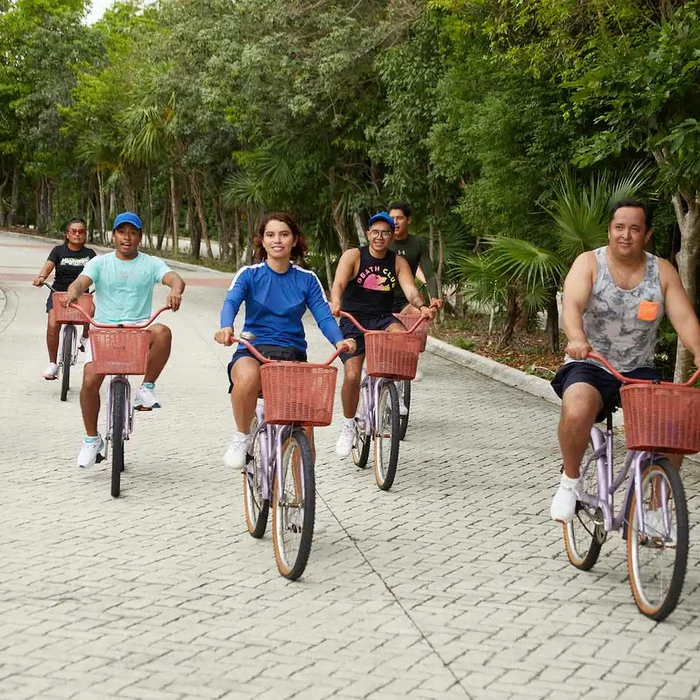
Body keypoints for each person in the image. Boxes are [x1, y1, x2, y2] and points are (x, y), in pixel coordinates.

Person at [550, 199, 700, 523]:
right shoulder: (589, 263)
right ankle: (570, 482)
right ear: (609, 230)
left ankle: (658, 507)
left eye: (634, 228)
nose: (626, 235)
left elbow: (684, 319)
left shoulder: (662, 272)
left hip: (639, 370)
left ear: (647, 234)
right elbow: (572, 306)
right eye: (619, 227)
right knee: (576, 408)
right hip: (590, 362)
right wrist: (577, 338)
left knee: (670, 431)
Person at [215, 212, 356, 468]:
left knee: (305, 427)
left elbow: (324, 316)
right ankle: (242, 437)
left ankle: (300, 500)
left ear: (294, 241)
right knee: (247, 378)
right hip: (253, 349)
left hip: (291, 355)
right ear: (262, 241)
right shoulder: (249, 274)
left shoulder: (307, 279)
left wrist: (339, 341)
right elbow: (231, 302)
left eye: (284, 234)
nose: (277, 240)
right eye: (270, 235)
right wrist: (226, 327)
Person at [63, 212, 186, 468]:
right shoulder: (101, 263)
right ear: (113, 235)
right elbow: (80, 282)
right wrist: (73, 293)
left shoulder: (151, 263)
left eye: (132, 232)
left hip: (138, 331)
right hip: (104, 332)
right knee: (88, 381)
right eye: (121, 232)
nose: (126, 237)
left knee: (163, 332)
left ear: (140, 237)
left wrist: (175, 290)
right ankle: (91, 439)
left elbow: (175, 278)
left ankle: (145, 390)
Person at [330, 212, 435, 457]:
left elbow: (410, 289)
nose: (380, 237)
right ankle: (348, 425)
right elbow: (338, 284)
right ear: (368, 234)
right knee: (353, 373)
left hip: (382, 317)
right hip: (353, 319)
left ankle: (392, 390)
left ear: (391, 235)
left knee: (403, 340)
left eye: (385, 232)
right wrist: (335, 302)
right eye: (375, 232)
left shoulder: (397, 261)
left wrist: (421, 306)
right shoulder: (354, 256)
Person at [32, 218, 96, 379]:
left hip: (82, 295)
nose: (77, 234)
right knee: (53, 323)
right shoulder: (58, 251)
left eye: (81, 231)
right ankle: (53, 363)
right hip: (58, 293)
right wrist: (41, 277)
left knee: (92, 310)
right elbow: (48, 266)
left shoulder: (90, 254)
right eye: (73, 231)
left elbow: (99, 271)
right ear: (67, 234)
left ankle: (85, 336)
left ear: (85, 234)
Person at [387, 202, 441, 315]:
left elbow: (429, 275)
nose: (395, 222)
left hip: (407, 300)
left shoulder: (418, 243)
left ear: (408, 220)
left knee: (422, 314)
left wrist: (434, 297)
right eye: (392, 218)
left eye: (400, 218)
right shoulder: (382, 242)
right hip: (382, 300)